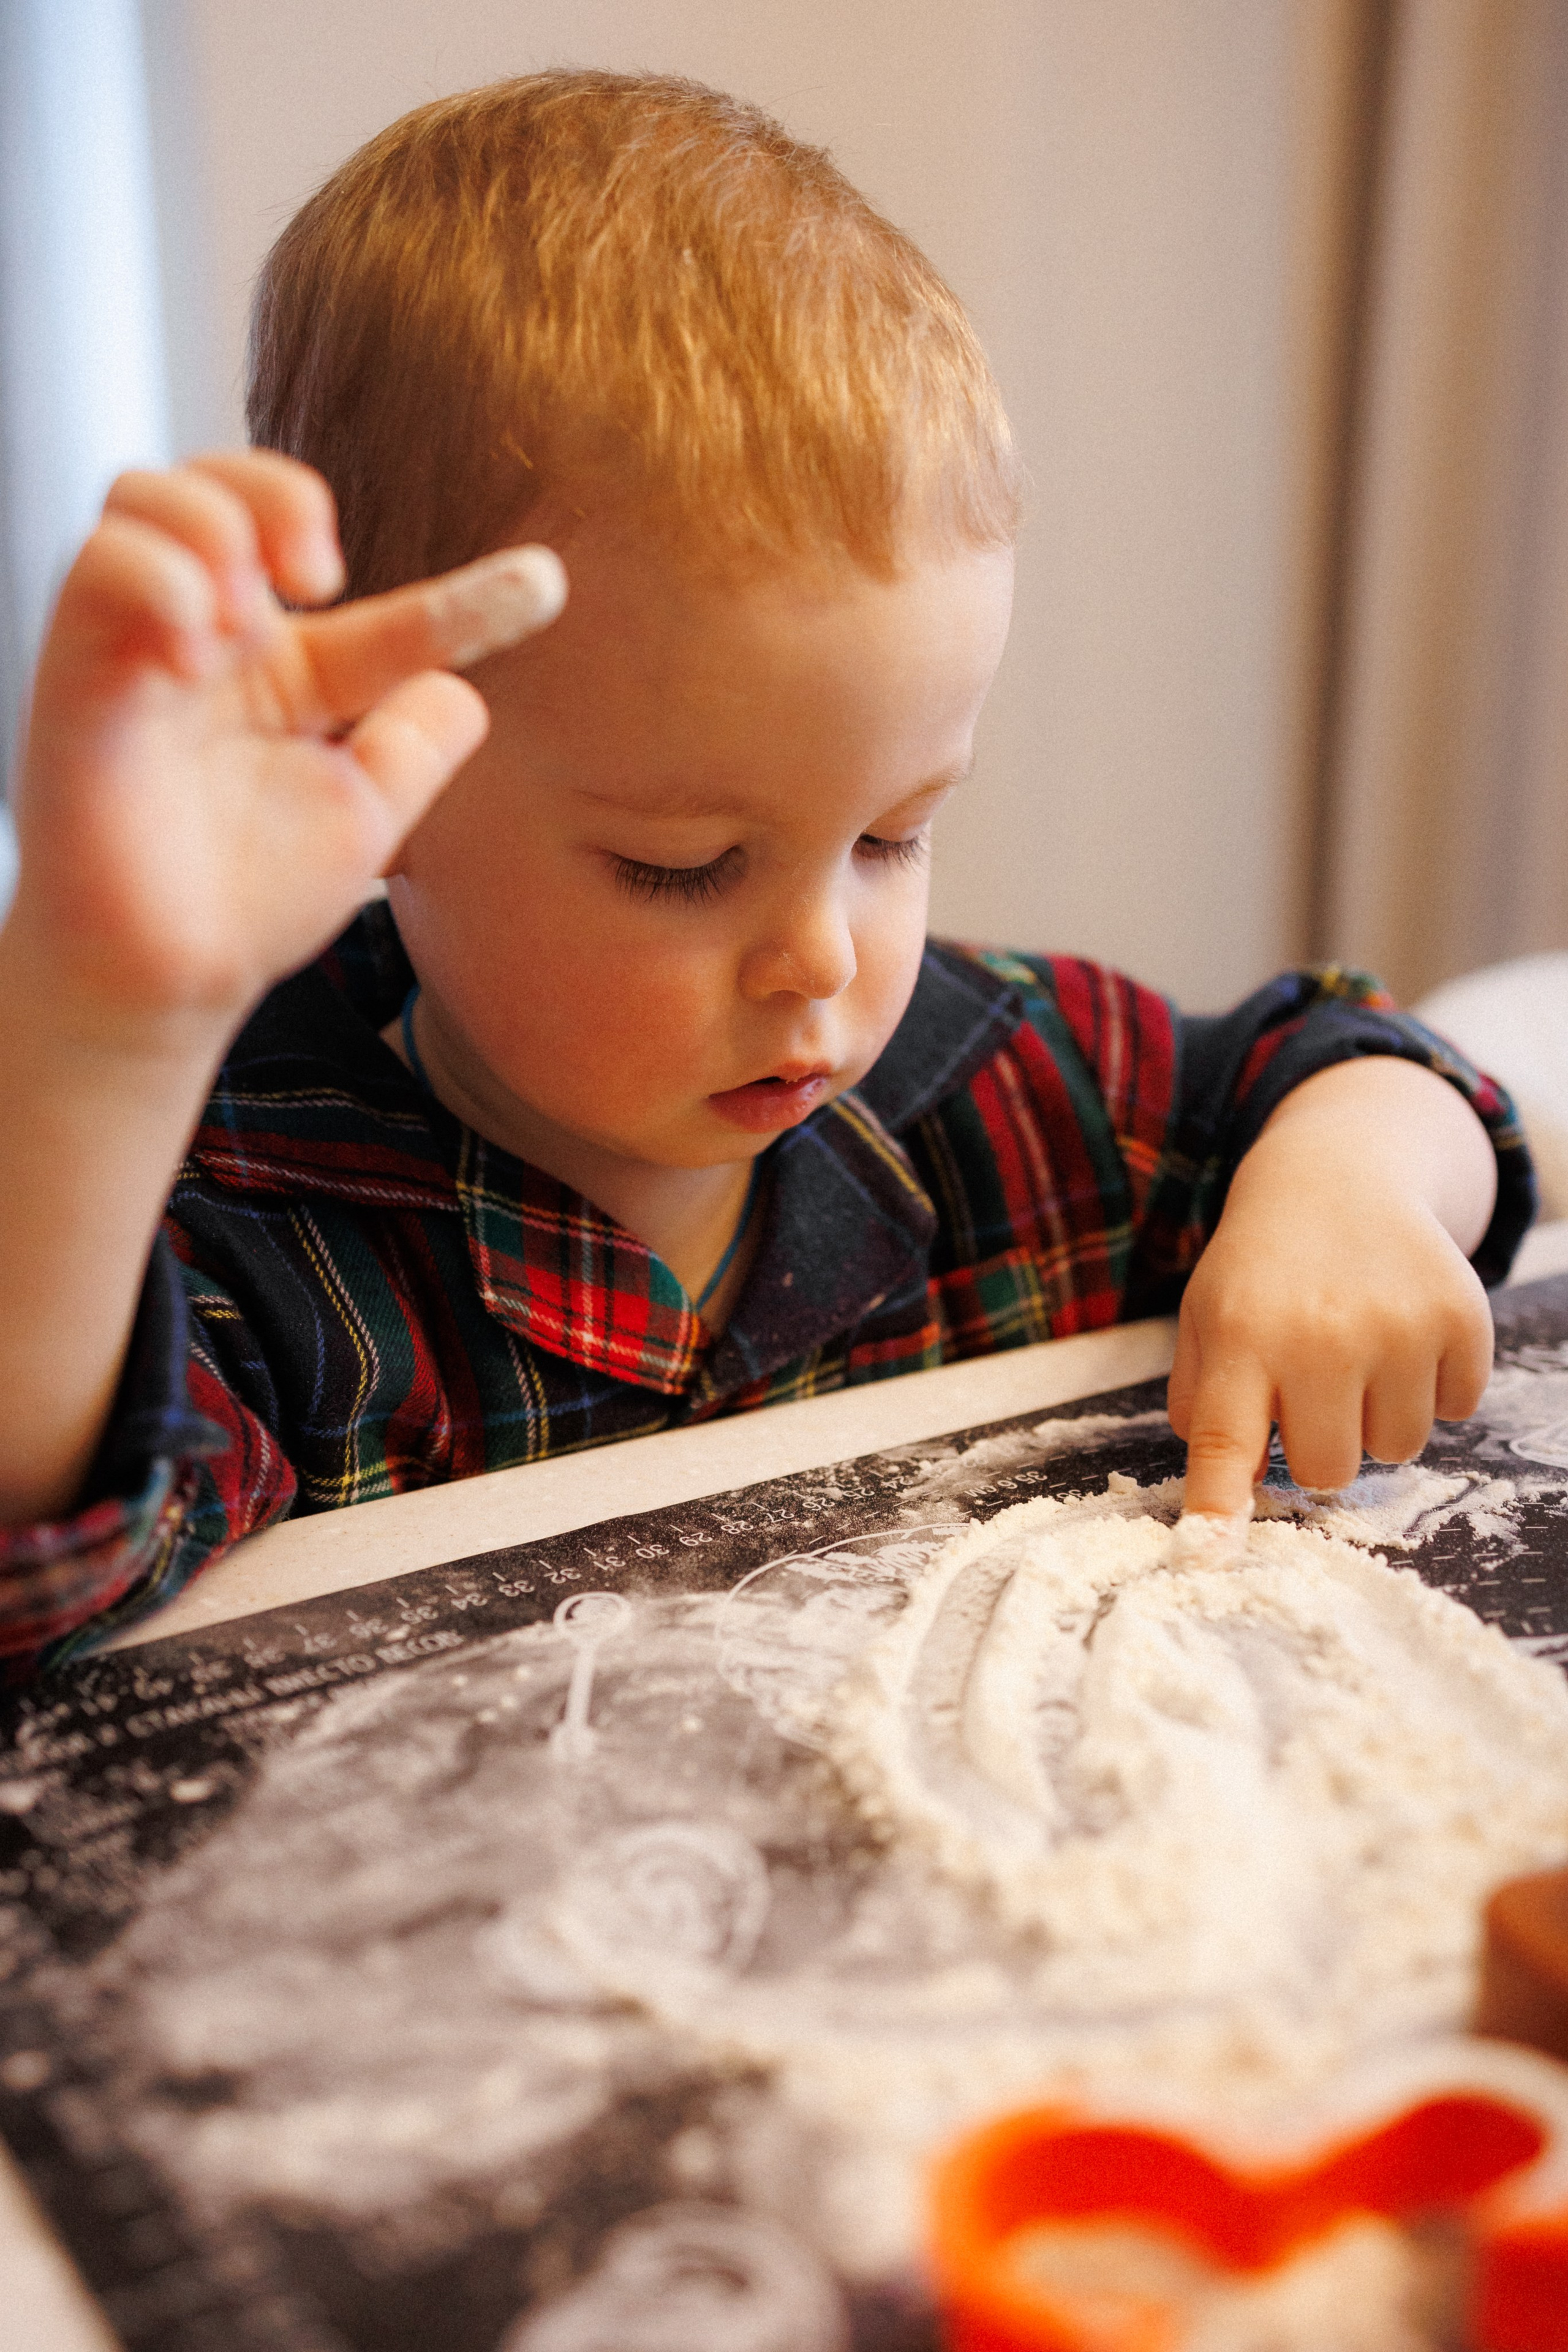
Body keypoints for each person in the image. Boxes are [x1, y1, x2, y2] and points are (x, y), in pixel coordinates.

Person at [0, 71, 1529, 1678]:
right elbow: (44, 1560)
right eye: (687, 866)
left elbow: (1360, 1064)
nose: (822, 957)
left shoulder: (1002, 1091)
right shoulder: (249, 1209)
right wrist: (102, 1029)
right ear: (381, 766)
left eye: (893, 835)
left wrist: (1353, 1178)